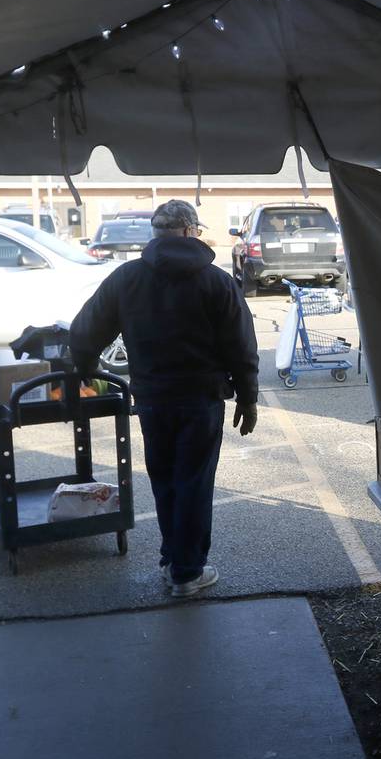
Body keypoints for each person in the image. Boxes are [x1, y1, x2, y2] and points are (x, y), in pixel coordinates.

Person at [70, 199, 259, 598]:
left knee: (166, 480)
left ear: (155, 234)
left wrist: (85, 369)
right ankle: (187, 571)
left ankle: (173, 559)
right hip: (201, 400)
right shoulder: (217, 281)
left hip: (152, 401)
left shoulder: (127, 278)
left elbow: (85, 331)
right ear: (191, 231)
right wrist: (248, 397)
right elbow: (241, 346)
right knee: (193, 482)